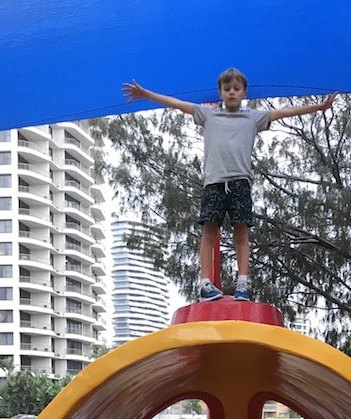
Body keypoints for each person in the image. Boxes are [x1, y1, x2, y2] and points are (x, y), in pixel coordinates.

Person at [122, 68, 338, 301]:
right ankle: (205, 284)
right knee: (209, 232)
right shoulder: (208, 115)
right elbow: (177, 104)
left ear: (244, 93)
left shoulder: (253, 117)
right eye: (227, 90)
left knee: (241, 233)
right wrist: (146, 94)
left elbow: (284, 112)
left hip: (240, 182)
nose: (232, 93)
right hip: (214, 182)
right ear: (220, 94)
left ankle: (242, 283)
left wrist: (317, 107)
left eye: (236, 89)